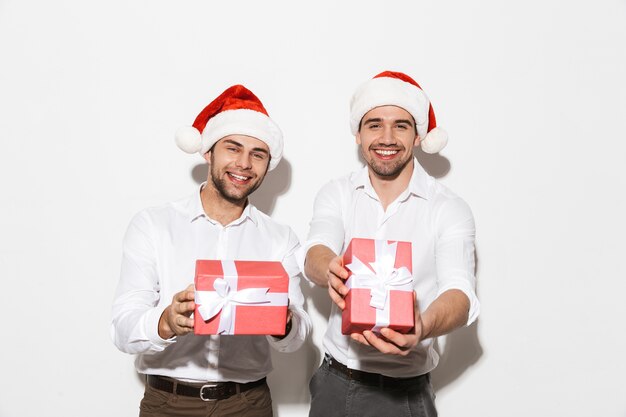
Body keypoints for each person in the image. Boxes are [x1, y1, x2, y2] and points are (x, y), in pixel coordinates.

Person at [111, 84, 311, 417]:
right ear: (208, 152)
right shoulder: (154, 225)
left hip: (247, 404)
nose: (244, 163)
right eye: (233, 148)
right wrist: (166, 322)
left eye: (257, 154)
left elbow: (297, 338)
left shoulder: (280, 239)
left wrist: (284, 320)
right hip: (167, 404)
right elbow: (121, 327)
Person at [303, 71, 480, 417]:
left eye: (400, 125)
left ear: (417, 136)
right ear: (357, 134)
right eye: (374, 125)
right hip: (333, 382)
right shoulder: (337, 193)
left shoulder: (449, 208)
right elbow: (315, 250)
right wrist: (331, 269)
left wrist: (424, 325)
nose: (387, 137)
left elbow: (460, 292)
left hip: (405, 392)